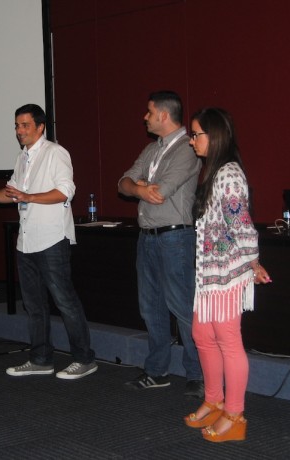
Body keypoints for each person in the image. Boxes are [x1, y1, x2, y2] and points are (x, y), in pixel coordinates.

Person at [0, 103, 97, 380]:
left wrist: (29, 197)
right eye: (17, 125)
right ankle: (41, 359)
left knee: (65, 301)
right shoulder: (22, 158)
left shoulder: (55, 153)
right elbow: (12, 194)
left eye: (25, 125)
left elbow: (65, 191)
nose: (19, 130)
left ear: (41, 127)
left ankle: (84, 358)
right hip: (26, 241)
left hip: (51, 238)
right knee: (34, 304)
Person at [183, 107, 271, 442]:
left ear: (215, 135)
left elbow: (241, 224)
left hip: (228, 273)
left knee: (228, 340)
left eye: (196, 134)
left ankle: (235, 415)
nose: (192, 141)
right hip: (210, 274)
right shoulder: (215, 172)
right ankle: (214, 400)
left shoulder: (229, 174)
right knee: (202, 335)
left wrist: (253, 263)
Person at [117, 91, 204, 397]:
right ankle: (157, 371)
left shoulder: (188, 149)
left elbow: (161, 191)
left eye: (149, 112)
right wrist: (139, 188)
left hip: (175, 238)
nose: (145, 117)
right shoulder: (151, 149)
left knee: (182, 306)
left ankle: (197, 374)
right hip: (148, 237)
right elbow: (123, 183)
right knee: (150, 306)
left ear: (164, 115)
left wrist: (139, 187)